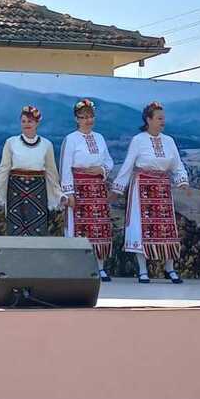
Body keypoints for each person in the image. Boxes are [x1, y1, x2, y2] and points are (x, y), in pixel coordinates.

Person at [112, 101, 190, 284]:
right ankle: (143, 270)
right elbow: (128, 165)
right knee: (141, 228)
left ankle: (169, 268)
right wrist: (118, 188)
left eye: (163, 118)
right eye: (159, 118)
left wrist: (182, 181)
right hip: (142, 188)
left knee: (167, 229)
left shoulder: (169, 141)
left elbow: (177, 165)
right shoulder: (138, 140)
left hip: (162, 187)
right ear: (148, 119)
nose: (163, 122)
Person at [60, 99, 115, 282]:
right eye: (83, 117)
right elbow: (65, 166)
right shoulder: (71, 139)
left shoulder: (99, 137)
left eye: (90, 116)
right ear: (77, 119)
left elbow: (108, 161)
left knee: (99, 227)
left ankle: (100, 267)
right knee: (79, 228)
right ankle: (76, 267)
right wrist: (68, 193)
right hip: (79, 187)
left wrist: (102, 170)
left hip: (97, 188)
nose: (88, 120)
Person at [0, 105, 62, 236]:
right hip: (15, 192)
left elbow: (51, 173)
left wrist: (58, 194)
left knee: (37, 230)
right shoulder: (11, 142)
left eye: (30, 121)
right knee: (16, 230)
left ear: (37, 123)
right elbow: (4, 168)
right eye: (23, 121)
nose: (26, 124)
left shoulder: (47, 144)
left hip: (38, 191)